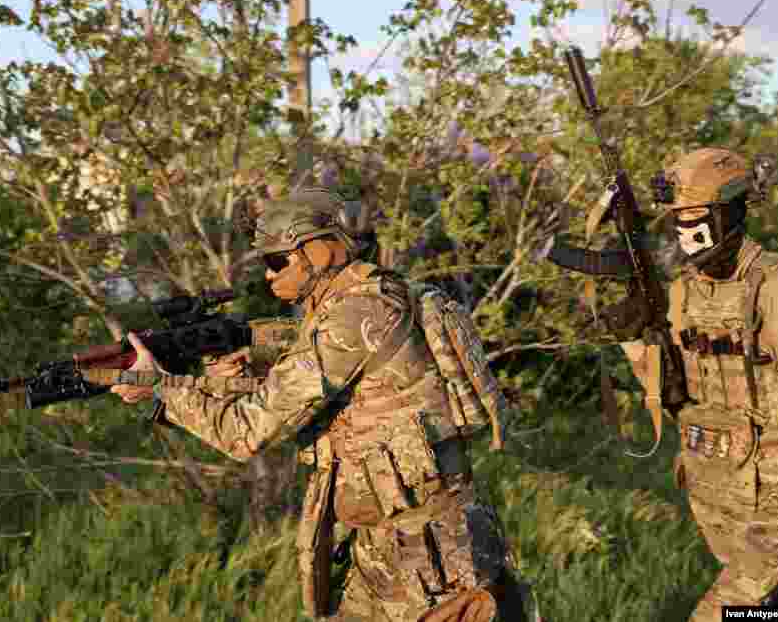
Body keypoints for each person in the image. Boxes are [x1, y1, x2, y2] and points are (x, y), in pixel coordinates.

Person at [112, 187, 532, 622]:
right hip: (383, 550)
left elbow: (246, 431)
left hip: (430, 563)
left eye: (277, 261)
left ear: (318, 250)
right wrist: (230, 368)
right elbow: (313, 384)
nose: (268, 276)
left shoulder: (354, 318)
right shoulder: (367, 296)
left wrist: (161, 388)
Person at [612, 148, 778, 619]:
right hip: (719, 492)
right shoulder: (684, 290)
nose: (686, 228)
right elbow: (671, 393)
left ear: (731, 212)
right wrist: (635, 341)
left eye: (697, 214)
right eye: (679, 216)